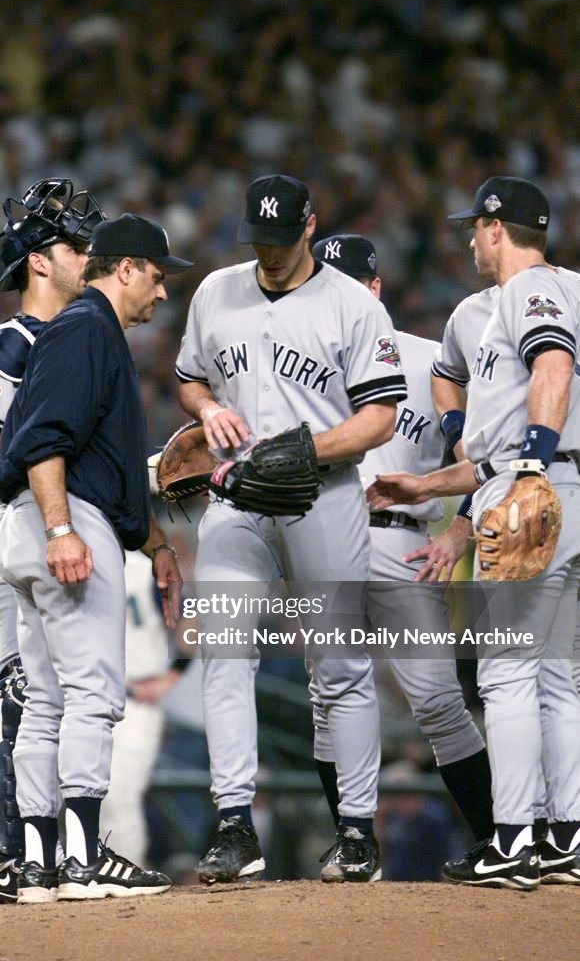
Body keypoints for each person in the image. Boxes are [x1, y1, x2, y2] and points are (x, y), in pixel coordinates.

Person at [176, 174, 407, 884]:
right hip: (236, 496)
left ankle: (358, 829)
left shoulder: (350, 305)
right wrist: (207, 406)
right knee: (223, 652)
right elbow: (188, 376)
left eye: (280, 239)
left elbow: (380, 417)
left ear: (310, 225)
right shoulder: (216, 290)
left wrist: (305, 450)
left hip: (324, 497)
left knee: (338, 667)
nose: (268, 253)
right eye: (258, 240)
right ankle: (235, 825)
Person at [369, 176, 580, 889]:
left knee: (508, 673)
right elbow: (476, 420)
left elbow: (554, 363)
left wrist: (532, 464)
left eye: (475, 226)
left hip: (536, 485)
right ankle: (565, 838)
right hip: (558, 488)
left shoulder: (530, 289)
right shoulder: (548, 294)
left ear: (498, 227)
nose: (468, 239)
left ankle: (515, 839)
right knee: (558, 676)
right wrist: (432, 480)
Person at [0, 213, 190, 903]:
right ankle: (81, 859)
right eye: (159, 277)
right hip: (64, 521)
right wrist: (60, 530)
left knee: (46, 702)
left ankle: (40, 865)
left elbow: (98, 460)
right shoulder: (85, 328)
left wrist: (157, 543)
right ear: (127, 267)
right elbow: (45, 436)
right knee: (93, 696)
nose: (164, 294)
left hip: (44, 521)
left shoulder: (86, 331)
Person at [310, 234, 493, 861]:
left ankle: (496, 840)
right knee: (326, 700)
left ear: (375, 288)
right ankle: (351, 845)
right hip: (324, 540)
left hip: (402, 543)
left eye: (347, 283)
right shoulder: (303, 367)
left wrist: (460, 527)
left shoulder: (427, 359)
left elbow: (485, 454)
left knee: (440, 703)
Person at [0, 177, 106, 903]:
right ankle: (1, 851)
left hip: (68, 531)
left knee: (68, 691)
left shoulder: (78, 337)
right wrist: (49, 485)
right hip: (23, 525)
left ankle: (52, 847)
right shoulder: (8, 343)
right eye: (76, 245)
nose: (89, 254)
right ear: (40, 262)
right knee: (24, 690)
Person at [100, 550, 187, 867]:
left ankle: (128, 872)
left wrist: (171, 677)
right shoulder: (77, 563)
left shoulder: (144, 569)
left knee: (121, 795)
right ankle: (94, 875)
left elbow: (194, 614)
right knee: (86, 798)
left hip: (137, 700)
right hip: (87, 701)